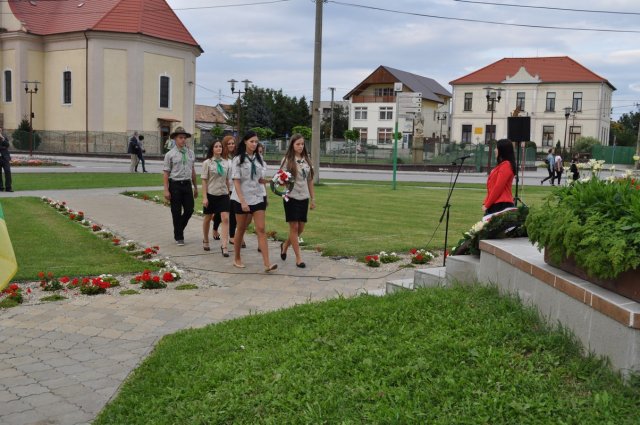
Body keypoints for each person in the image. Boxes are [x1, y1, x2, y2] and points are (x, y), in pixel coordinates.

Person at [230, 131, 276, 272]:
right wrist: (243, 201)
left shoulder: (259, 158)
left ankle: (267, 264)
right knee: (241, 228)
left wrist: (272, 180)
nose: (254, 144)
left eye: (256, 142)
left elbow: (259, 180)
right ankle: (237, 258)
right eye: (252, 141)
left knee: (261, 229)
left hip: (257, 197)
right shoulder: (238, 159)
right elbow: (236, 182)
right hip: (241, 199)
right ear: (245, 141)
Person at [278, 134, 316, 268]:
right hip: (291, 197)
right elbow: (280, 179)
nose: (300, 146)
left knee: (300, 228)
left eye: (302, 144)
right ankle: (298, 258)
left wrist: (313, 199)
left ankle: (285, 245)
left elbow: (310, 181)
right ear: (292, 145)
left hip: (304, 197)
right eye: (297, 144)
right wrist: (282, 181)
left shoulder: (307, 160)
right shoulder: (287, 160)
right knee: (294, 227)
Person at [163, 127, 198, 246]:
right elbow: (166, 173)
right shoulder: (170, 154)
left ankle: (178, 229)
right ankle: (179, 237)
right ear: (175, 139)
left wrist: (195, 187)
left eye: (184, 138)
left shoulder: (190, 153)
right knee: (176, 212)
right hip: (175, 185)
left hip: (187, 184)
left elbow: (193, 171)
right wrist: (166, 190)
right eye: (180, 137)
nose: (183, 140)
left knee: (189, 209)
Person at [201, 140, 231, 256]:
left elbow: (227, 180)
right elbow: (204, 181)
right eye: (216, 146)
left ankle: (224, 245)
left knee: (225, 218)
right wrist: (205, 197)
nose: (219, 148)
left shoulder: (226, 163)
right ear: (212, 149)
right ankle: (205, 239)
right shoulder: (207, 163)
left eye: (220, 146)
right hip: (211, 194)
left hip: (223, 194)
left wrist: (229, 194)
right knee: (208, 218)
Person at [213, 135, 240, 244]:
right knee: (221, 213)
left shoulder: (236, 157)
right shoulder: (222, 158)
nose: (231, 145)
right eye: (229, 143)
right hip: (224, 188)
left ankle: (232, 236)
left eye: (233, 143)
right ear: (225, 145)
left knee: (233, 213)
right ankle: (215, 228)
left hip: (235, 188)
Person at [482, 139, 515, 216]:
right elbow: (492, 188)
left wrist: (487, 204)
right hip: (495, 203)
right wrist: (485, 202)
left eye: (496, 148)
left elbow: (498, 187)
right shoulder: (501, 165)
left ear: (502, 150)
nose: (495, 150)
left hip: (501, 204)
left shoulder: (506, 165)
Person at [0, 128, 12, 192]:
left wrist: (2, 138)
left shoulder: (4, 138)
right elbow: (4, 147)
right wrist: (3, 147)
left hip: (5, 158)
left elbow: (7, 145)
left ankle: (8, 188)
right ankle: (1, 188)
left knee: (8, 172)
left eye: (0, 130)